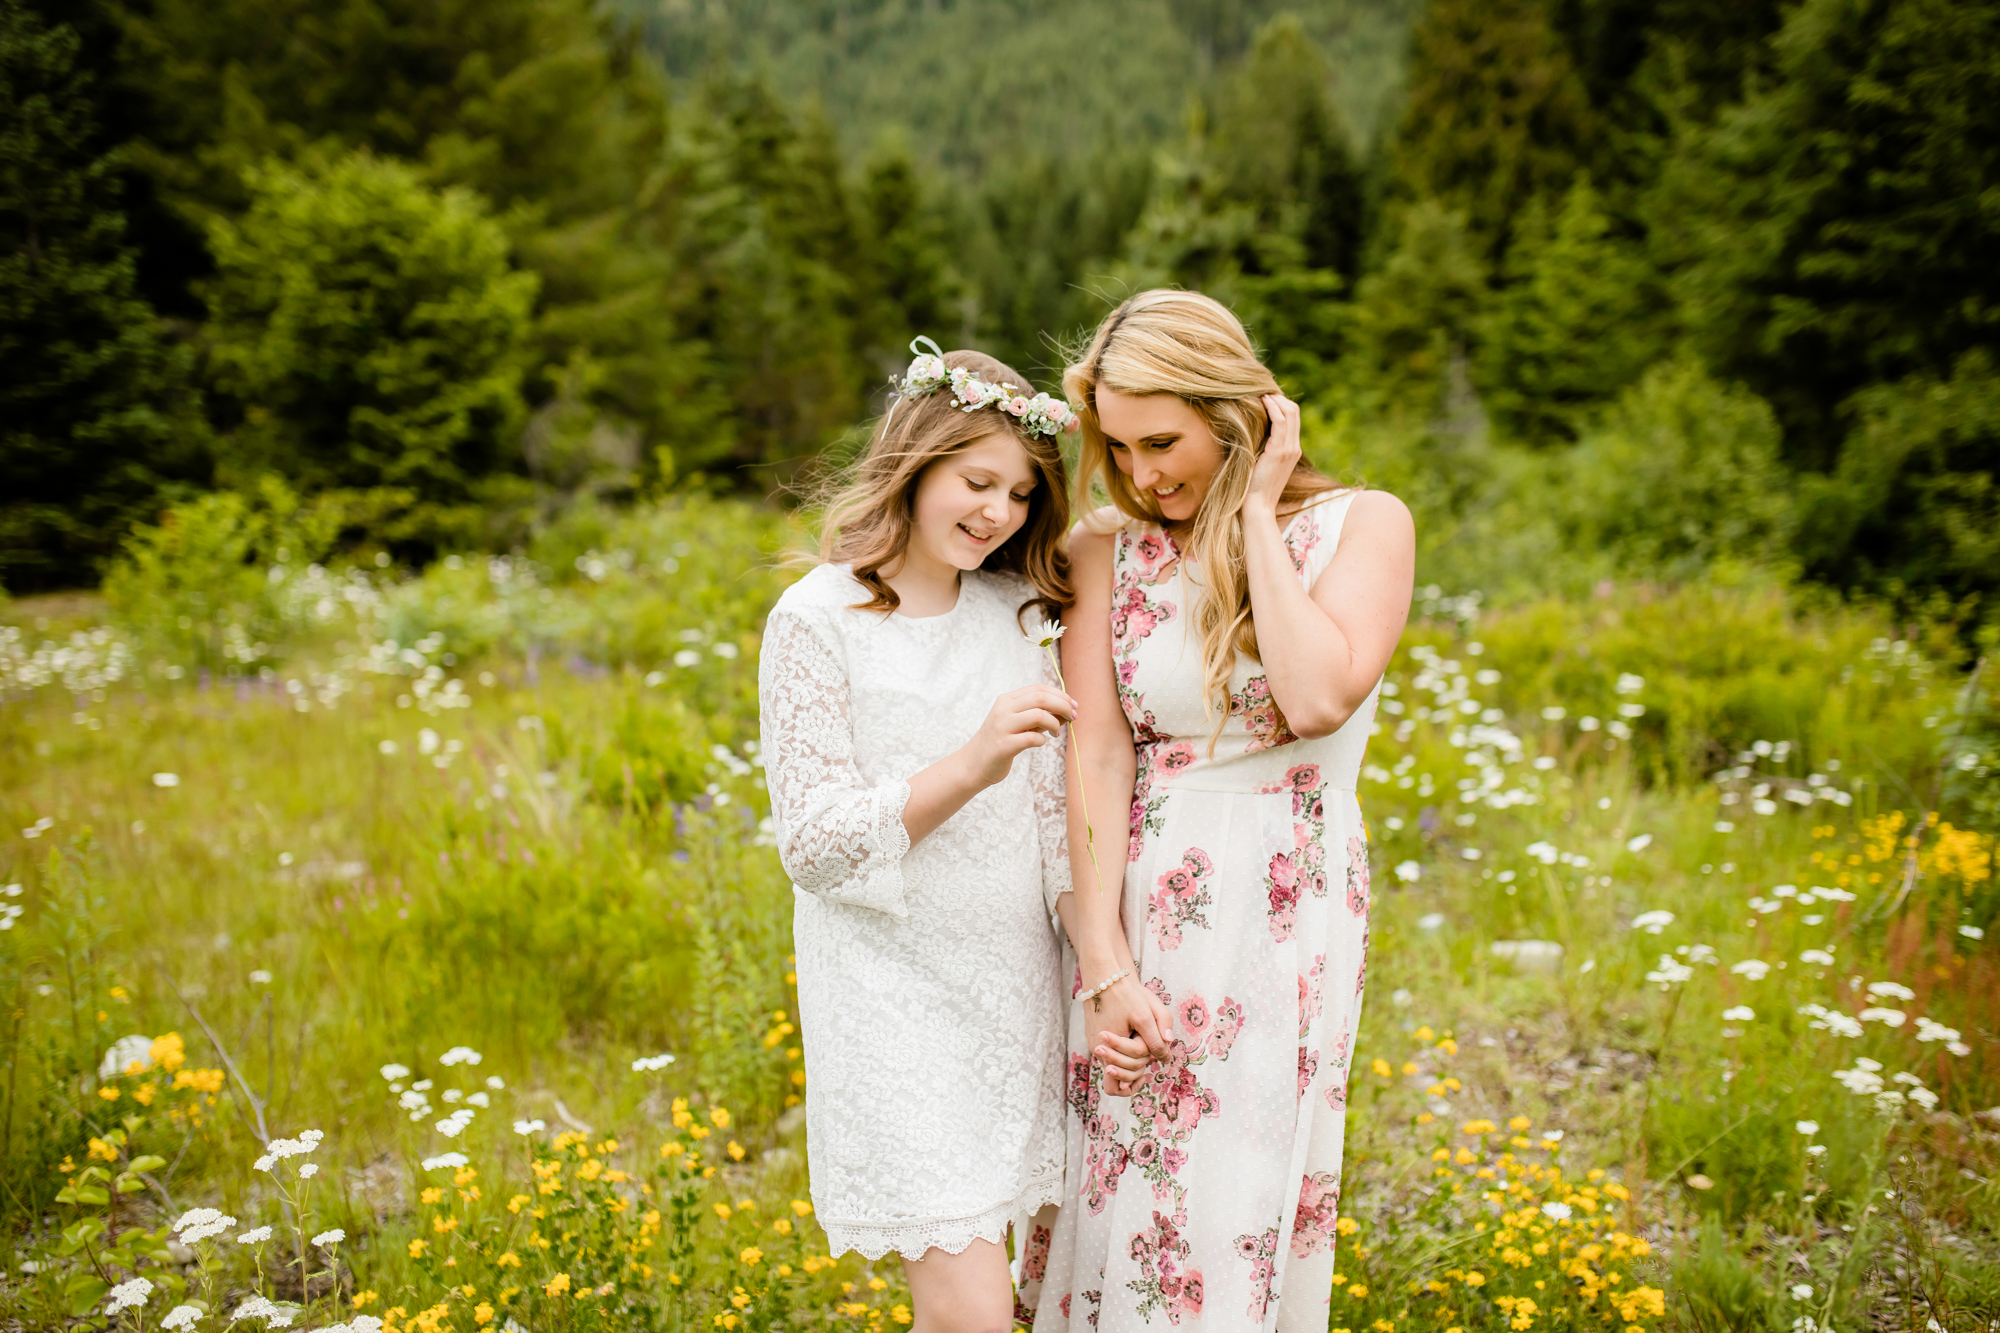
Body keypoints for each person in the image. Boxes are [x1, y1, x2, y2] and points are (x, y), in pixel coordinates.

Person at [1032, 291, 1415, 1332]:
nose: (1144, 473)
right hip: (1139, 902)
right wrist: (1102, 962)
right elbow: (1098, 752)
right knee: (1122, 1193)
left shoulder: (1359, 525)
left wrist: (1252, 510)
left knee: (1236, 1197)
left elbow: (1317, 696)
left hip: (1284, 904)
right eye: (1117, 448)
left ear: (1235, 410)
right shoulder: (1105, 548)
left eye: (1162, 440)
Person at [757, 339, 1082, 1331]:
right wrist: (967, 763)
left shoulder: (1014, 614)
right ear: (915, 459)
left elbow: (1052, 824)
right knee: (970, 1316)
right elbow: (811, 843)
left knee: (1028, 1295)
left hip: (1015, 991)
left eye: (1022, 494)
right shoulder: (817, 618)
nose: (998, 513)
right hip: (894, 1002)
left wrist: (1099, 962)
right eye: (976, 481)